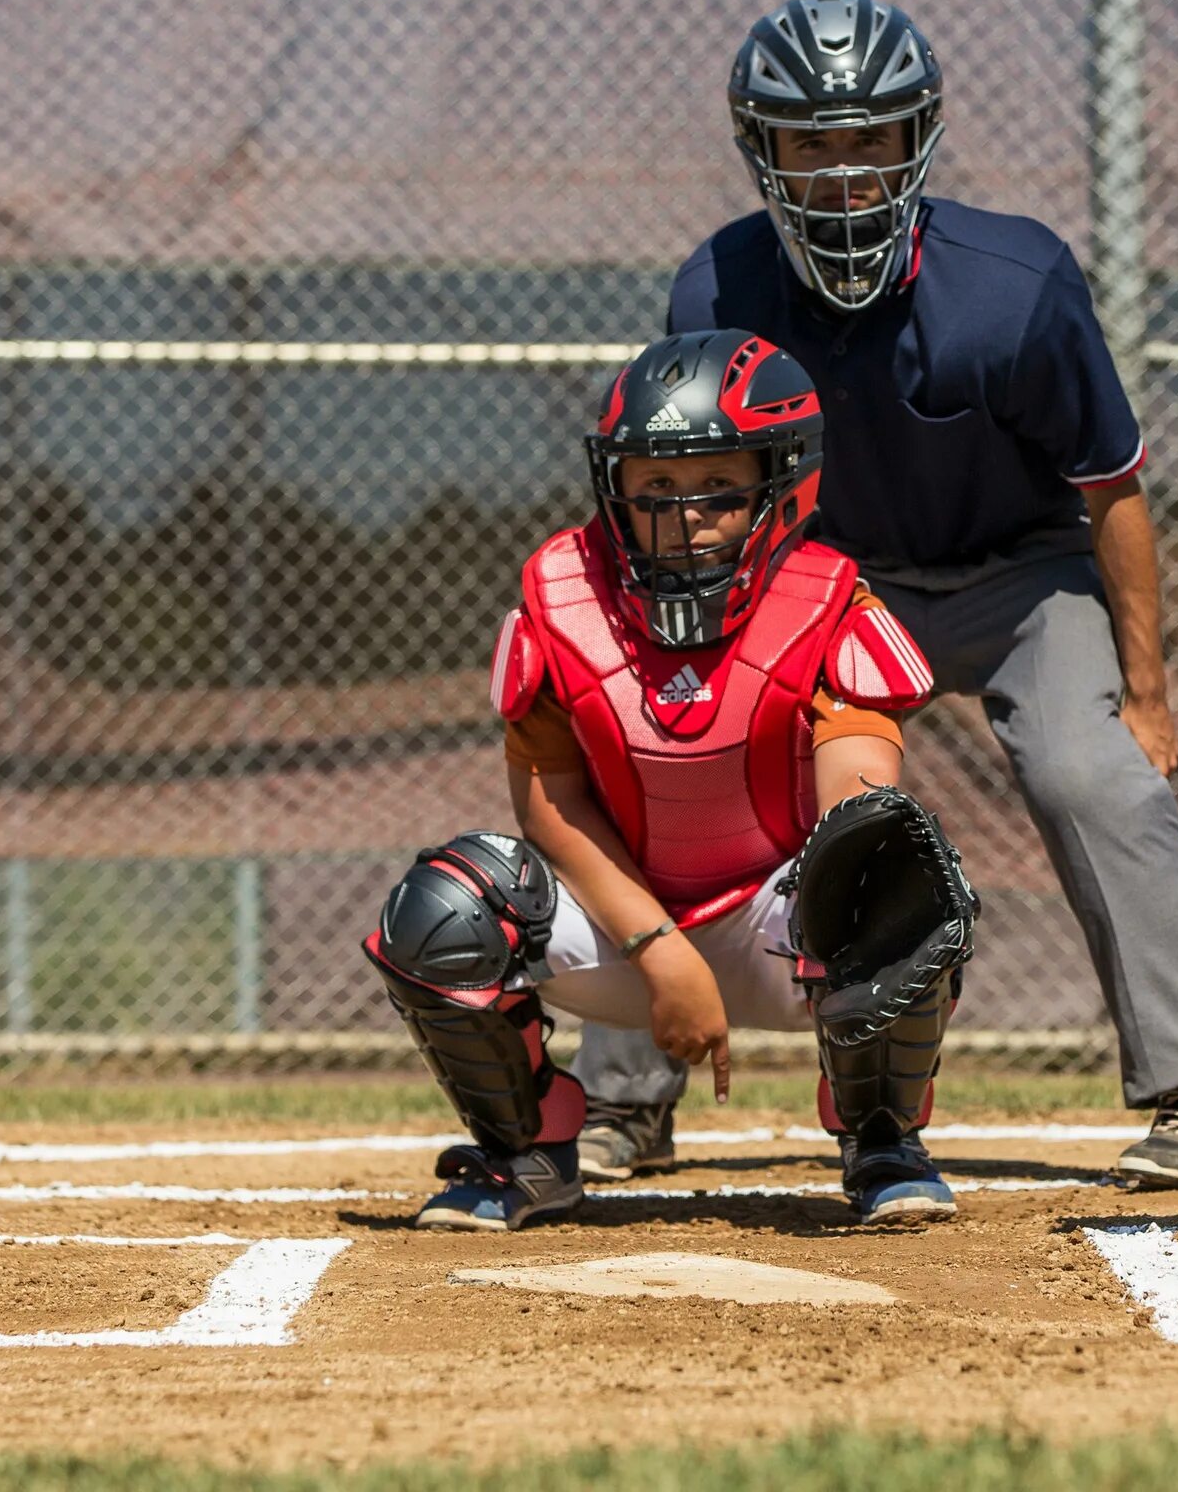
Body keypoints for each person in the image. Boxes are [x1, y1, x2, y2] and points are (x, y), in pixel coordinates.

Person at [570, 0, 1178, 1191]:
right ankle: (627, 1094)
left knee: (1088, 765)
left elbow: (1113, 490)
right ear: (761, 150)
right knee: (674, 749)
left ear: (919, 137)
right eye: (809, 142)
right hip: (831, 582)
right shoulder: (719, 285)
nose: (842, 170)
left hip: (1022, 575)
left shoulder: (1017, 283)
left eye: (869, 137)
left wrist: (1145, 695)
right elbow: (709, 494)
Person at [362, 328, 978, 1232]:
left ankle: (880, 1136)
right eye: (655, 487)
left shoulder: (830, 600)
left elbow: (858, 795)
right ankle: (527, 1151)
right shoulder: (561, 595)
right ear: (615, 487)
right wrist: (661, 950)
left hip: (783, 929)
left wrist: (845, 926)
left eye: (718, 488)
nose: (684, 514)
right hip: (627, 936)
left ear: (781, 482)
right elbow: (551, 804)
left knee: (893, 859)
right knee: (446, 906)